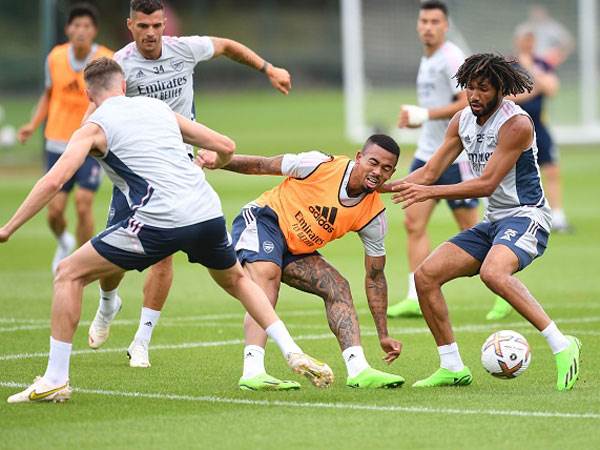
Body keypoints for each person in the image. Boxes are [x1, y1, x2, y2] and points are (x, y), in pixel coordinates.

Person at [1, 57, 332, 403]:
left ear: (88, 94)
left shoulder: (93, 127)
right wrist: (213, 162)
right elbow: (226, 146)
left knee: (68, 273)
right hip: (206, 211)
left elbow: (55, 179)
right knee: (237, 281)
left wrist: (9, 227)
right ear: (124, 86)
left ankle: (55, 379)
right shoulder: (157, 108)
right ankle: (292, 349)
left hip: (159, 219)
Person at [86, 0, 293, 369]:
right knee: (110, 264)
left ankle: (142, 341)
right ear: (129, 25)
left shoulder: (184, 49)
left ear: (164, 24)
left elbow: (228, 45)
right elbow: (95, 113)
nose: (151, 33)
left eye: (156, 25)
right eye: (143, 26)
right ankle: (107, 305)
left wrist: (268, 68)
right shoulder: (121, 66)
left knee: (165, 252)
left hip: (178, 168)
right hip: (135, 172)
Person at [389, 53, 581, 391]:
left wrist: (427, 193)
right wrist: (376, 187)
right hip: (495, 222)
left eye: (483, 89)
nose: (475, 95)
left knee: (494, 272)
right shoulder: (461, 120)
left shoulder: (516, 124)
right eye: (470, 88)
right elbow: (430, 172)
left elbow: (486, 184)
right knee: (425, 276)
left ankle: (562, 345)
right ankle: (452, 367)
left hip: (527, 216)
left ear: (501, 89)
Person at [197, 135, 405, 390]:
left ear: (392, 172)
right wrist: (218, 162)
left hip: (297, 248)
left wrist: (383, 333)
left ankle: (358, 369)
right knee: (267, 277)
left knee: (338, 286)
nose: (377, 172)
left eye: (386, 169)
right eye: (373, 162)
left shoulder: (374, 216)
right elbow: (263, 165)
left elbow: (375, 276)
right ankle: (253, 372)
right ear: (359, 157)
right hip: (264, 219)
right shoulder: (319, 164)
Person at [387, 0, 478, 319]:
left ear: (446, 25)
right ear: (417, 25)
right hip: (427, 156)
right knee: (413, 223)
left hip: (453, 158)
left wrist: (423, 114)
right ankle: (415, 296)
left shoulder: (451, 57)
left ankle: (502, 288)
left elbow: (467, 101)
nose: (428, 26)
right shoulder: (428, 59)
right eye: (424, 21)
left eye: (434, 21)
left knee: (472, 229)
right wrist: (422, 118)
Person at [17, 3, 112, 274]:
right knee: (54, 212)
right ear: (68, 29)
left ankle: (82, 262)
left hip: (91, 143)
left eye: (87, 26)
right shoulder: (55, 57)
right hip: (58, 142)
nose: (81, 31)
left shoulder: (106, 59)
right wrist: (32, 124)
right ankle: (63, 241)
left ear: (94, 30)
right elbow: (48, 94)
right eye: (76, 25)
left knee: (83, 204)